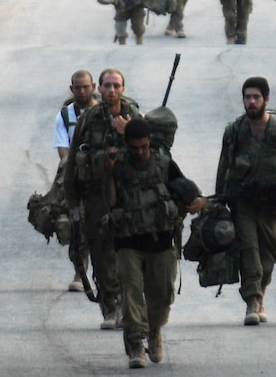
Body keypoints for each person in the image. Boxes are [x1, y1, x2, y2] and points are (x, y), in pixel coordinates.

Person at [106, 118, 207, 368]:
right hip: (128, 241)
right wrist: (109, 171)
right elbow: (110, 202)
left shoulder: (163, 164)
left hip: (161, 241)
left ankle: (154, 331)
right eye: (134, 147)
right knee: (130, 295)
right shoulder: (118, 166)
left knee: (161, 297)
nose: (139, 152)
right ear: (126, 145)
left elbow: (187, 189)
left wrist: (197, 201)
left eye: (143, 146)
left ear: (150, 142)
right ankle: (136, 343)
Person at [215, 77, 276, 325]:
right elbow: (224, 167)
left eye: (256, 97)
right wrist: (218, 204)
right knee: (249, 251)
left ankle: (260, 293)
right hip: (243, 203)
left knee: (271, 252)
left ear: (266, 99)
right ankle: (253, 302)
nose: (251, 102)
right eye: (247, 97)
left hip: (271, 203)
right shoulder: (234, 131)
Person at [64, 68, 140, 329]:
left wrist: (127, 132)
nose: (111, 90)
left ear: (123, 88)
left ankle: (128, 305)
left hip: (130, 197)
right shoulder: (89, 119)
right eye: (106, 86)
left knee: (129, 253)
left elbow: (153, 155)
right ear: (101, 88)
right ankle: (110, 306)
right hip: (96, 195)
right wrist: (73, 206)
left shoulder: (134, 117)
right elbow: (73, 162)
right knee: (101, 253)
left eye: (116, 85)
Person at [53, 70, 98, 292]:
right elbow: (62, 148)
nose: (82, 91)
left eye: (86, 87)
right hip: (76, 177)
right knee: (74, 225)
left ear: (94, 87)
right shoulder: (65, 115)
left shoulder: (103, 112)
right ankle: (80, 273)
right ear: (72, 89)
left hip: (102, 175)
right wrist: (73, 169)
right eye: (77, 88)